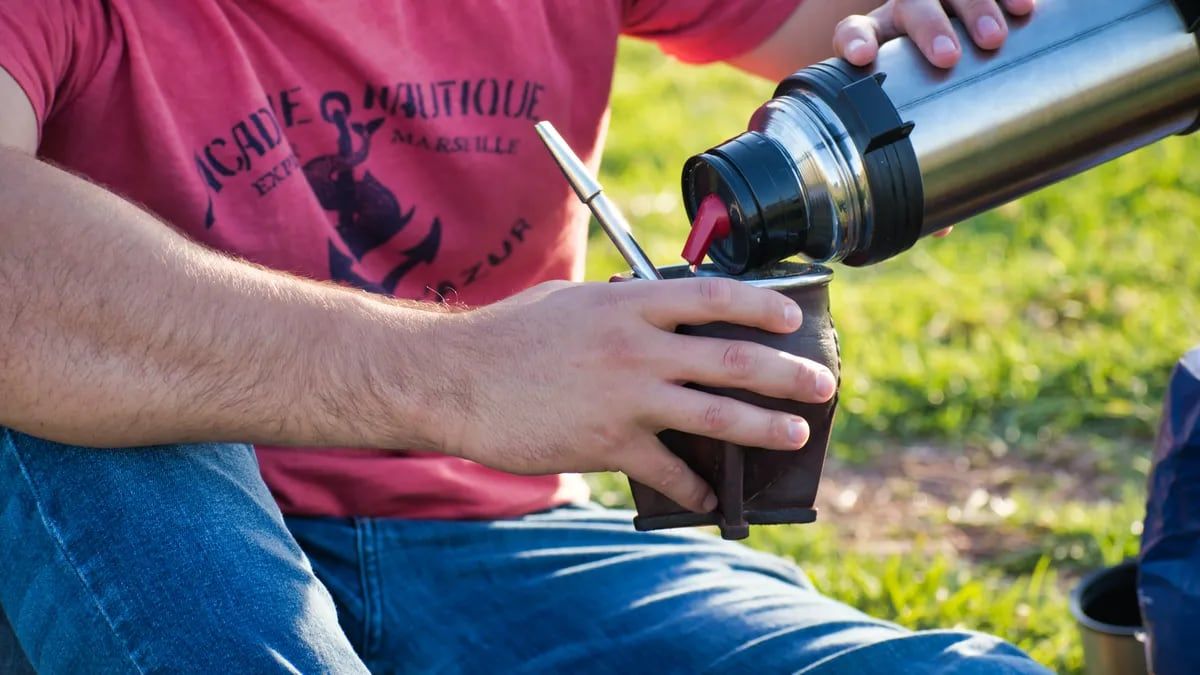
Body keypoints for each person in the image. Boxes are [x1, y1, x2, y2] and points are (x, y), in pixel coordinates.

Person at [0, 1, 1046, 672]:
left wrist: (939, 35)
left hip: (498, 539)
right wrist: (455, 376)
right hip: (139, 515)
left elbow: (859, 22)